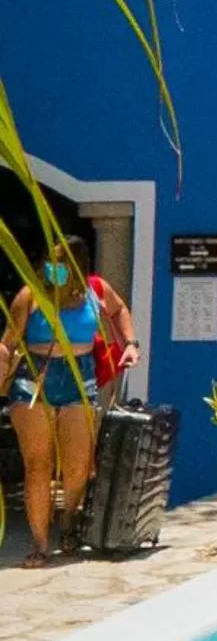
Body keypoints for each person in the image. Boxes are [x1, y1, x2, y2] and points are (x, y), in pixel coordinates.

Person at [0, 234, 138, 566]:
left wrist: (131, 343)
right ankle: (40, 543)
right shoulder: (31, 295)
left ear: (77, 265)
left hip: (80, 378)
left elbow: (119, 311)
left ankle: (68, 519)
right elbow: (8, 342)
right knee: (38, 465)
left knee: (78, 466)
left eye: (61, 264)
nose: (53, 270)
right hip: (36, 380)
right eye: (50, 263)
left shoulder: (96, 291)